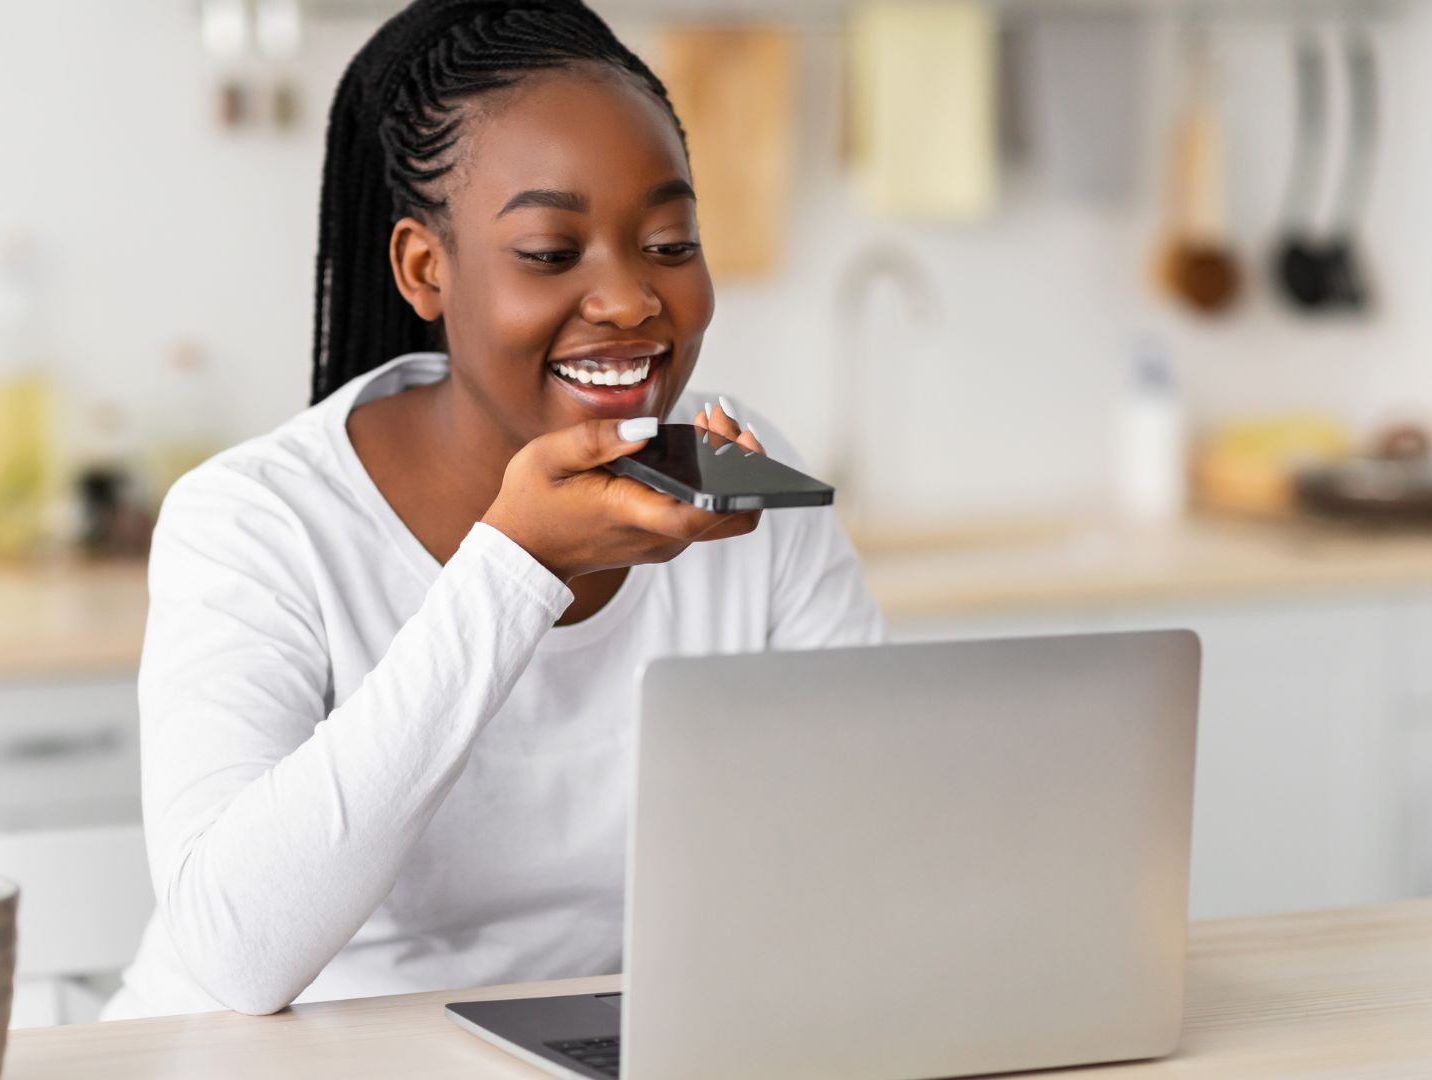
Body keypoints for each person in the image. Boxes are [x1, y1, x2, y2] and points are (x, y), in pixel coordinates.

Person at [103, 0, 881, 1020]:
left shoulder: (747, 488)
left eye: (669, 242)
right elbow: (240, 956)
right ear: (427, 268)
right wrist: (517, 567)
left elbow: (867, 847)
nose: (630, 300)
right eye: (553, 255)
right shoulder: (255, 522)